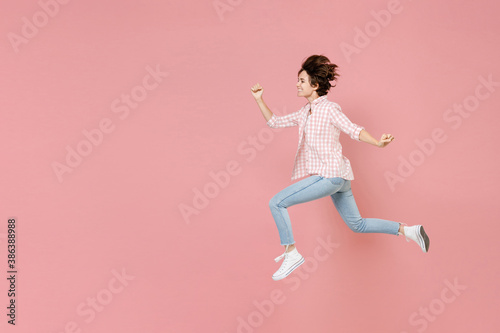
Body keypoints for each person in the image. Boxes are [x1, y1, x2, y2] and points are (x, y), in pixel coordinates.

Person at [250, 55, 430, 281]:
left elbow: (353, 129)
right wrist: (259, 99)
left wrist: (377, 142)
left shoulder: (329, 109)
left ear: (315, 85)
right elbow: (274, 122)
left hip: (330, 176)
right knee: (358, 225)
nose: (297, 84)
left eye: (302, 81)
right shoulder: (305, 112)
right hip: (339, 179)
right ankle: (409, 231)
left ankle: (290, 252)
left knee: (276, 202)